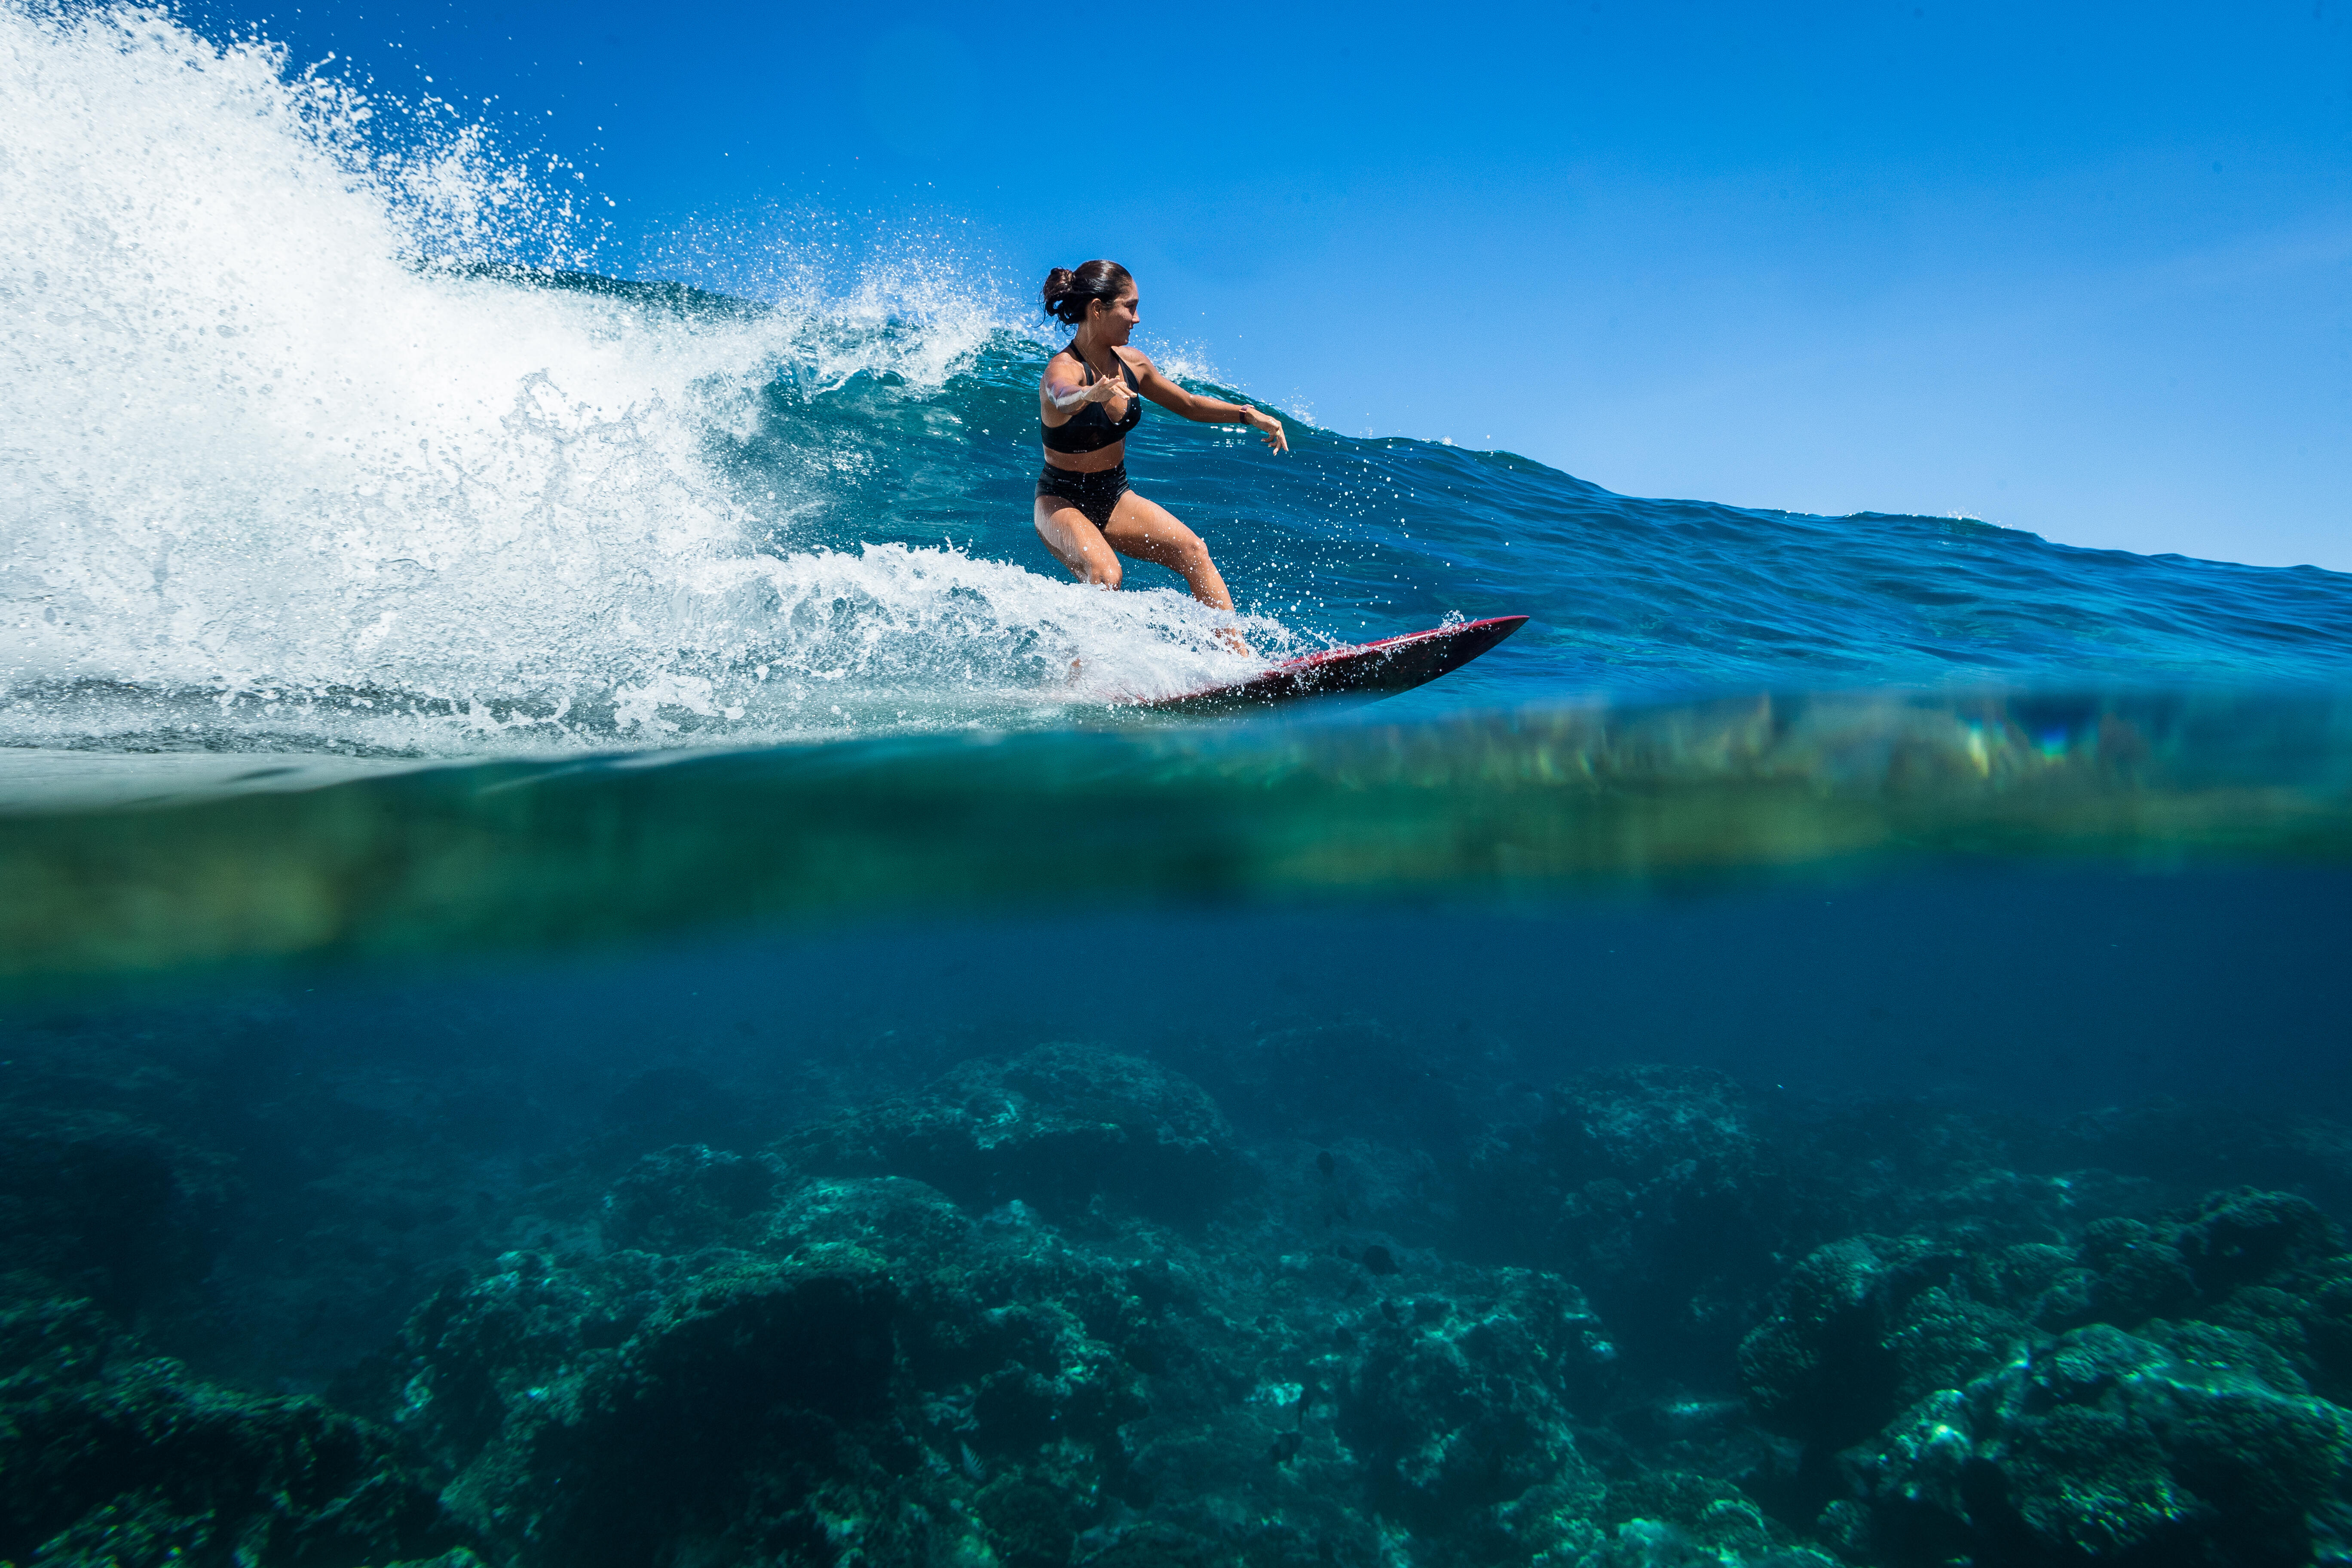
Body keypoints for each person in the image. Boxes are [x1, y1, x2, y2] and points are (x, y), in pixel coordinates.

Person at [1034, 260, 1285, 646]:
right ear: (1098, 309)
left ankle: (1238, 662)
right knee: (1106, 575)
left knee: (1192, 550)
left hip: (1114, 494)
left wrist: (1248, 416)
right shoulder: (1063, 369)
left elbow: (1187, 403)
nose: (1137, 319)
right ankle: (1080, 680)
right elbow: (1060, 396)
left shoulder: (1133, 364)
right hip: (1060, 500)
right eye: (1129, 307)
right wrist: (1090, 394)